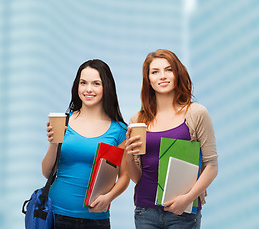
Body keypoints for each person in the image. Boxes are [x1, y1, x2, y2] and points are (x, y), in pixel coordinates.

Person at [125, 49, 218, 229]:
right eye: (155, 72)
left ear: (177, 74)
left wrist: (188, 199)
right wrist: (128, 156)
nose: (162, 76)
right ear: (148, 79)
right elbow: (137, 178)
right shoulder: (137, 120)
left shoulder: (196, 113)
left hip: (183, 212)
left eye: (168, 70)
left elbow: (212, 166)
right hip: (145, 211)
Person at [42, 59, 129, 229]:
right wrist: (53, 144)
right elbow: (47, 172)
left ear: (107, 87)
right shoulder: (64, 121)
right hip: (56, 213)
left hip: (96, 218)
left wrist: (109, 197)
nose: (88, 89)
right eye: (83, 83)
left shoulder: (119, 130)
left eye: (96, 83)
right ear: (77, 86)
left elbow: (124, 176)